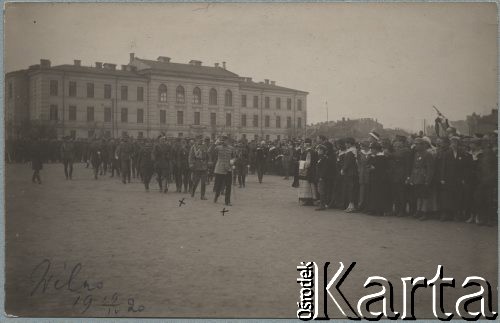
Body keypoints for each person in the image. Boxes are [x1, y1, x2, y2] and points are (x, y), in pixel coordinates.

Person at [408, 138, 435, 221]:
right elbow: (413, 167)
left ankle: (424, 212)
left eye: (417, 144)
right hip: (417, 178)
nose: (415, 146)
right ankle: (418, 211)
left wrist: (427, 180)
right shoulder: (416, 154)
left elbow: (430, 169)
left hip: (423, 177)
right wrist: (412, 178)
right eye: (415, 144)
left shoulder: (428, 154)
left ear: (423, 145)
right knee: (418, 195)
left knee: (424, 196)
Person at [210, 134, 234, 206]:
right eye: (223, 140)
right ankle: (216, 196)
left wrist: (232, 161)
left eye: (225, 140)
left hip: (228, 168)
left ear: (228, 141)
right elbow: (210, 152)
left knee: (228, 186)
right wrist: (214, 144)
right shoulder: (218, 147)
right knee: (219, 185)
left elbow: (234, 157)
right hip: (220, 168)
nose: (224, 142)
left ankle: (227, 201)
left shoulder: (231, 148)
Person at [298, 138, 317, 206]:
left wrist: (300, 162)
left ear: (306, 144)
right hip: (312, 170)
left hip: (307, 171)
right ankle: (312, 199)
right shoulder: (313, 151)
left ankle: (306, 200)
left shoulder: (308, 152)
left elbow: (307, 163)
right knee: (311, 185)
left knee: (306, 185)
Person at [189, 135, 208, 200]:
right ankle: (193, 191)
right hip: (196, 166)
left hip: (204, 166)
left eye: (201, 139)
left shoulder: (205, 146)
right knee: (196, 181)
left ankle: (202, 195)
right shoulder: (193, 147)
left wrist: (208, 163)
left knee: (203, 182)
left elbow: (208, 155)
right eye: (199, 139)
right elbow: (191, 157)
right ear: (196, 140)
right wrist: (191, 164)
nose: (200, 140)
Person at [342, 137, 358, 213]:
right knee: (352, 189)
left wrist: (343, 170)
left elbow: (347, 163)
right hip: (353, 172)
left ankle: (351, 206)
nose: (345, 144)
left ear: (349, 144)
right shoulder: (354, 151)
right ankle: (351, 205)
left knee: (351, 189)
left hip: (350, 173)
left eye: (346, 143)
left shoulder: (350, 152)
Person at [315, 144, 330, 211]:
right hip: (319, 177)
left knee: (321, 191)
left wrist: (321, 176)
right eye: (318, 149)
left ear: (323, 151)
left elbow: (324, 169)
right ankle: (322, 204)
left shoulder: (324, 158)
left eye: (320, 150)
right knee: (320, 190)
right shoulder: (320, 158)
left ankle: (322, 205)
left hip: (322, 177)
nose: (318, 151)